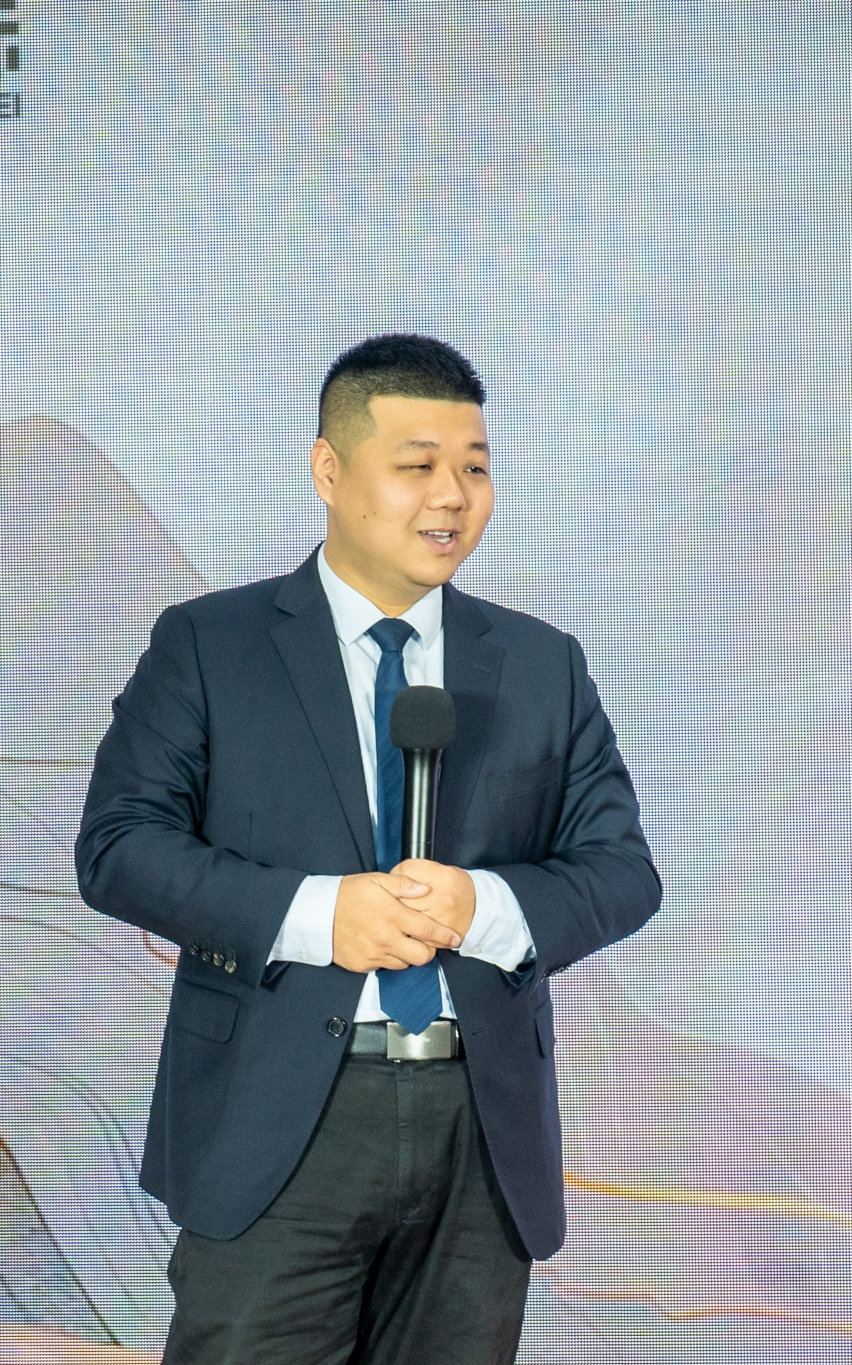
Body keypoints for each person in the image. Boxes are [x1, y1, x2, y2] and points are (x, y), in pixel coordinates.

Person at [75, 334, 661, 1363]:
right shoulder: (211, 645)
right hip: (276, 1116)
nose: (452, 496)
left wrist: (485, 909)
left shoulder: (541, 665)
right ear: (329, 470)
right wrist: (316, 915)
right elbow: (120, 847)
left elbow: (620, 872)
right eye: (417, 465)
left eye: (474, 467)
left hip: (478, 1131)